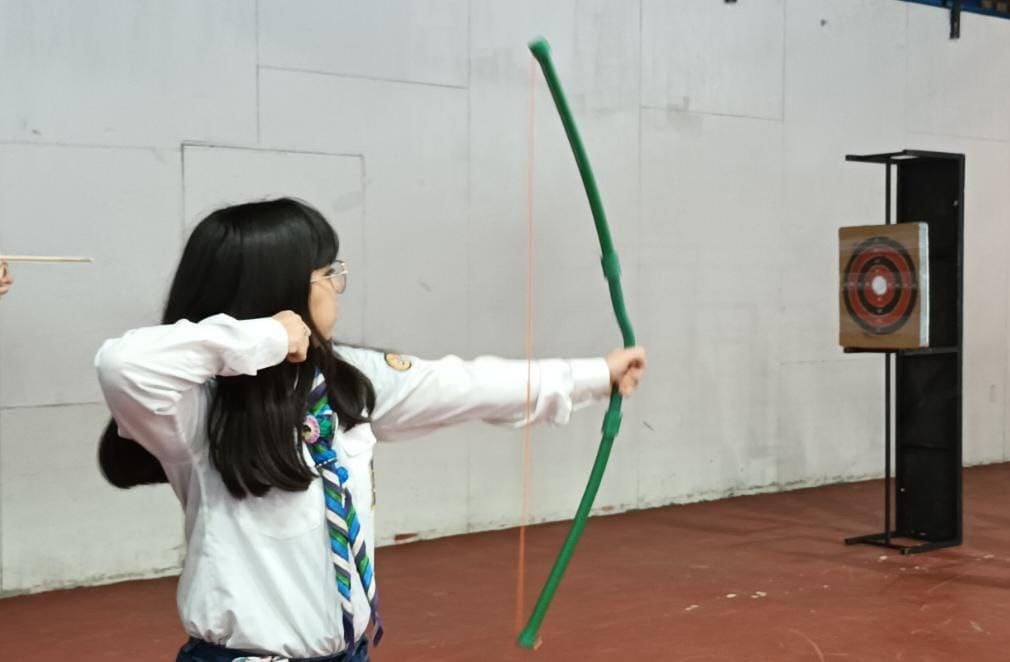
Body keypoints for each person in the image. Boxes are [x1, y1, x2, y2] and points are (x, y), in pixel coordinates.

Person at [94, 198, 646, 661]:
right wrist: (265, 338)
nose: (337, 286)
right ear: (279, 289)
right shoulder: (195, 409)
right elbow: (123, 365)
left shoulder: (345, 381)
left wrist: (595, 375)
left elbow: (463, 383)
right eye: (327, 274)